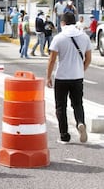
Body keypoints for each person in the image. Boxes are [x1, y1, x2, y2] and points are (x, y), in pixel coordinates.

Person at [46, 12, 92, 143]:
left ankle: (64, 135)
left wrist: (48, 77)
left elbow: (52, 60)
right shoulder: (84, 37)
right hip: (77, 77)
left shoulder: (59, 38)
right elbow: (88, 59)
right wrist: (81, 70)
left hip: (61, 77)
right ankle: (80, 122)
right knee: (77, 104)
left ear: (63, 23)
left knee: (61, 106)